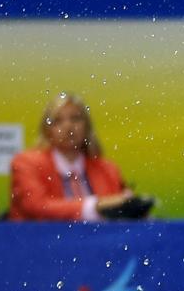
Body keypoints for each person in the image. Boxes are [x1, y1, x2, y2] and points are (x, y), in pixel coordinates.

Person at [9, 93, 138, 221]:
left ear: (87, 127)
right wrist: (95, 206)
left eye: (75, 119)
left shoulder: (107, 169)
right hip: (43, 240)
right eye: (58, 121)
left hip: (102, 240)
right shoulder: (26, 163)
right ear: (47, 130)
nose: (68, 127)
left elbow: (121, 212)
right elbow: (36, 207)